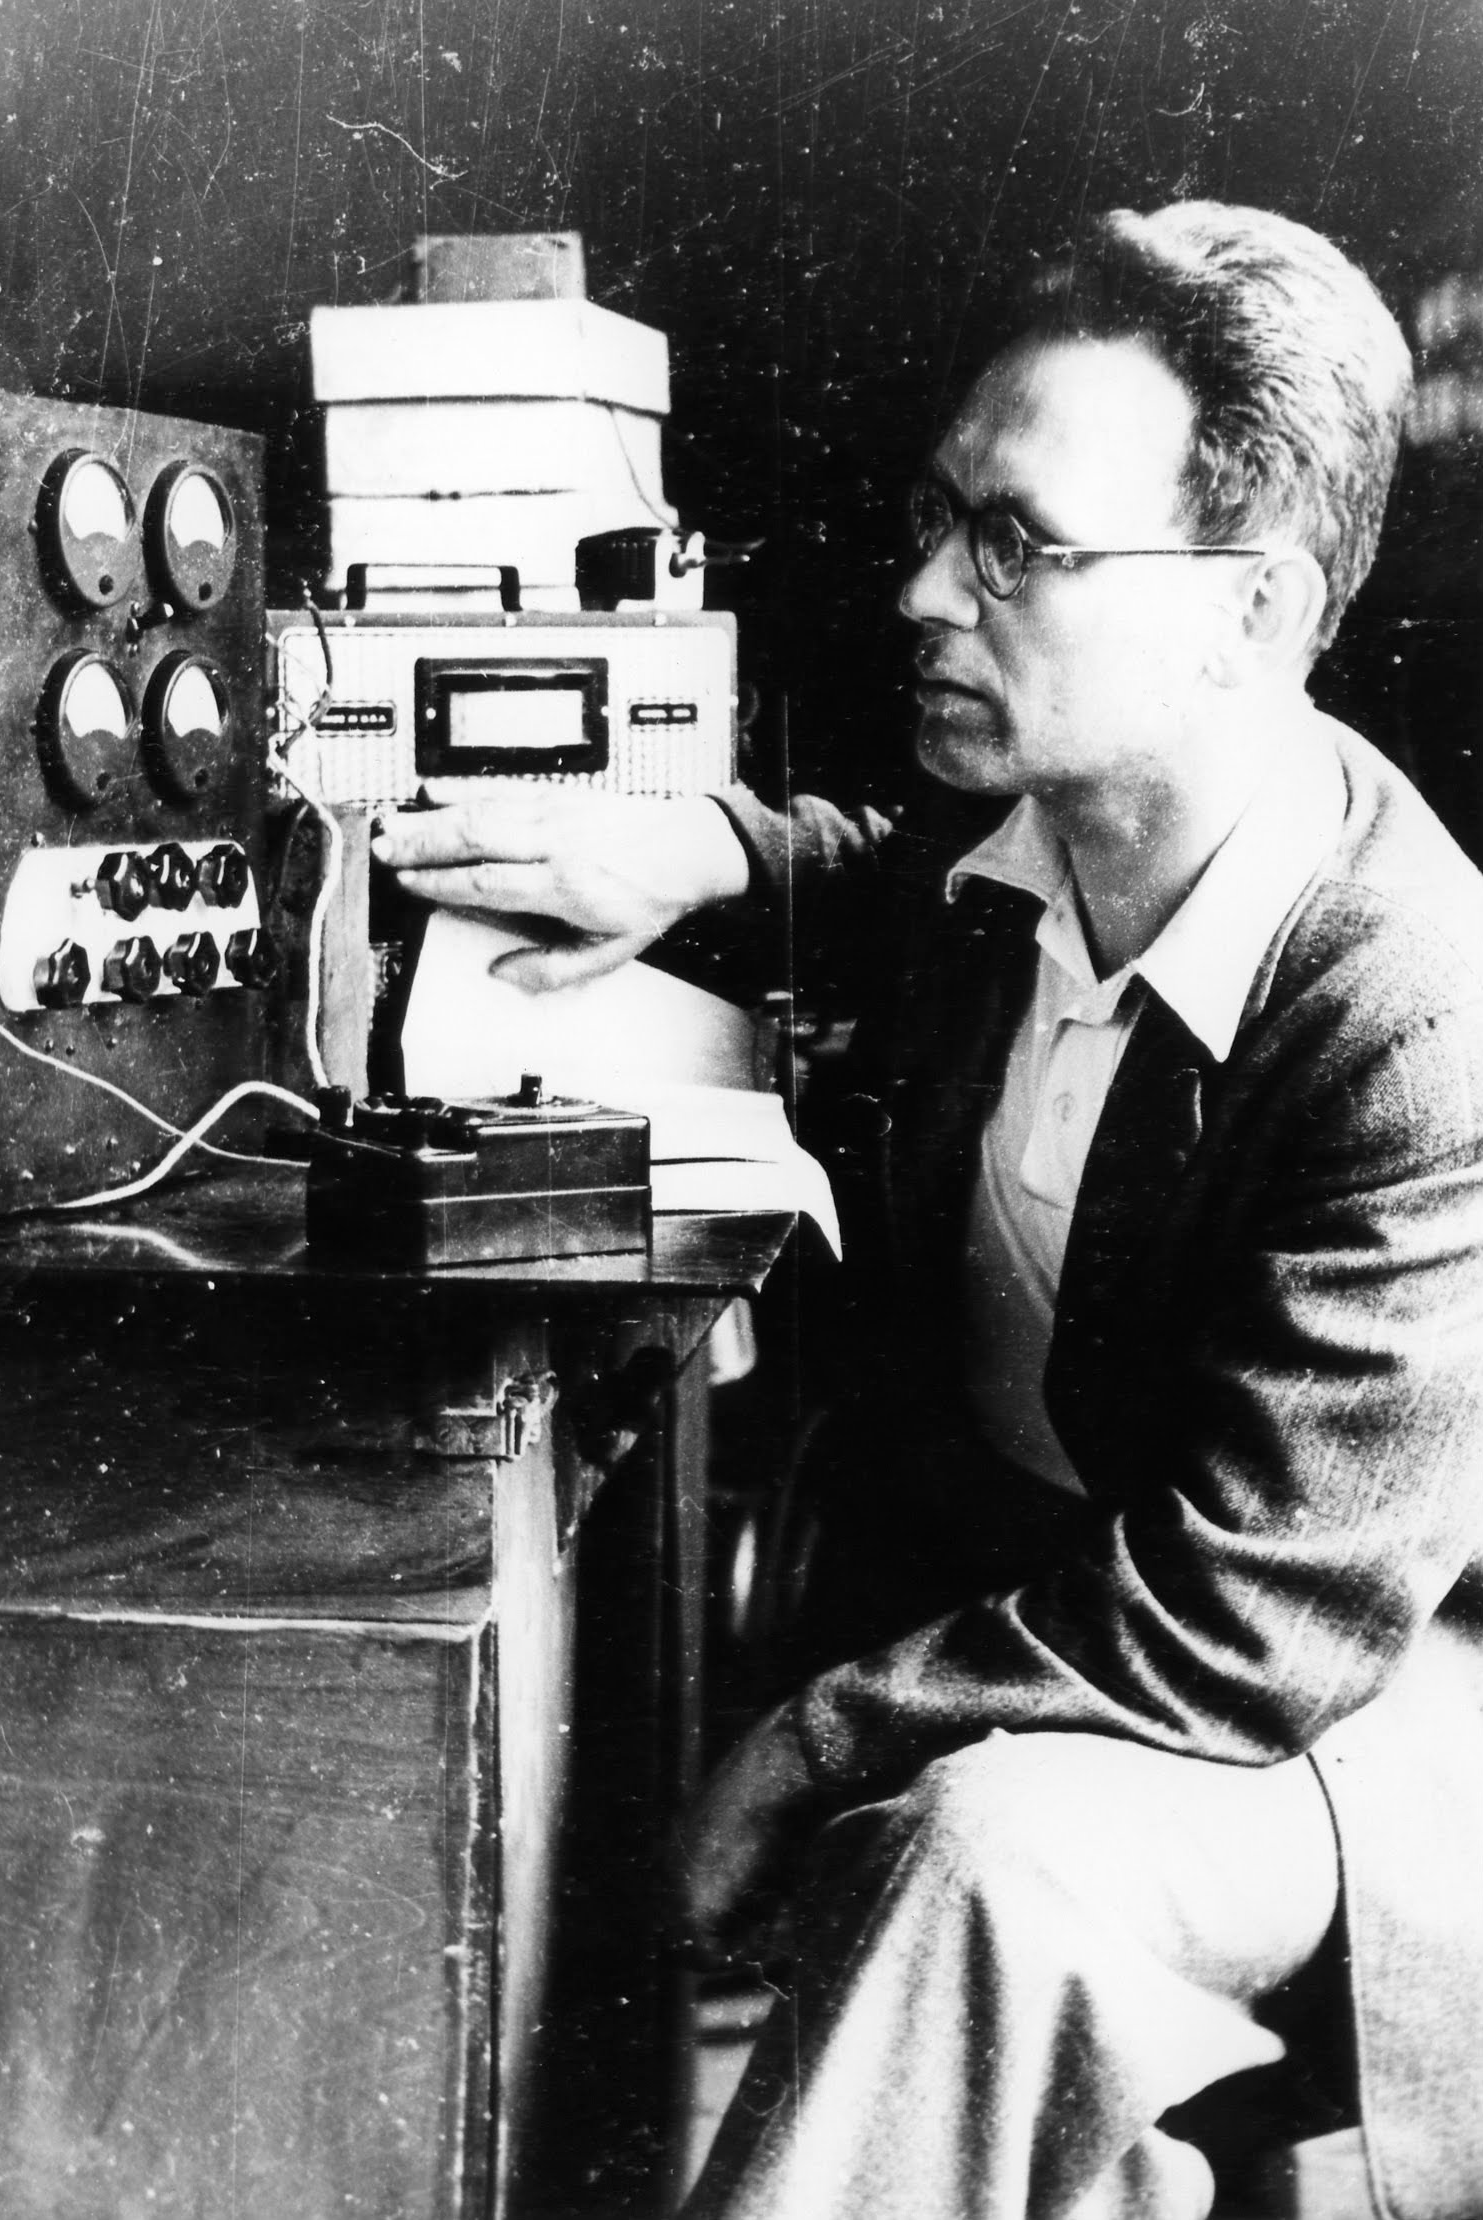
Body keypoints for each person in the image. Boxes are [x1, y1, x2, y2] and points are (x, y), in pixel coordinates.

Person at [371, 202, 1483, 2219]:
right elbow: (888, 867)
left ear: (1254, 610)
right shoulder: (1047, 843)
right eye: (940, 516)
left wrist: (817, 1741)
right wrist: (696, 852)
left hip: (1365, 1716)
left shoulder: (1420, 1010)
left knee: (978, 1865)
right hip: (1079, 1642)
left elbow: (1266, 1622)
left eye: (1022, 550)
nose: (922, 590)